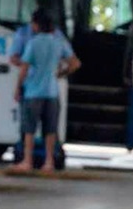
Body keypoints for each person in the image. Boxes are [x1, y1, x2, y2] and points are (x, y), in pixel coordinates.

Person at [10, 10, 81, 173]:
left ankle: (27, 161)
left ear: (36, 25)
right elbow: (75, 63)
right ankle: (48, 162)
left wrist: (17, 88)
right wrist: (60, 74)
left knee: (29, 129)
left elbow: (24, 68)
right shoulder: (58, 42)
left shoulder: (33, 43)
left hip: (33, 92)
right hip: (52, 92)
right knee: (50, 130)